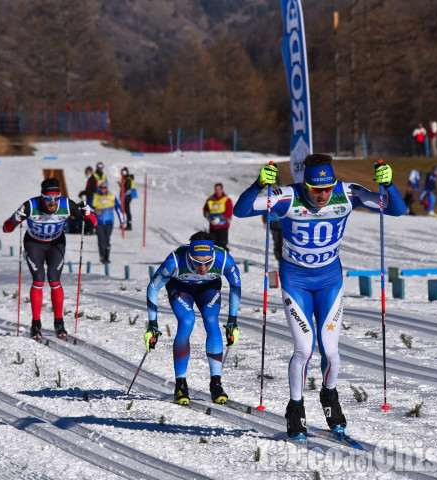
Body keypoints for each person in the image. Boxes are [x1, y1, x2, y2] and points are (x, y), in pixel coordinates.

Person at [234, 154, 406, 441]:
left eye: (327, 188)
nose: (323, 195)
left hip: (330, 282)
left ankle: (329, 396)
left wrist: (389, 185)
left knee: (331, 351)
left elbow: (395, 210)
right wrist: (257, 184)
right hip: (296, 281)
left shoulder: (348, 193)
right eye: (316, 189)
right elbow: (241, 211)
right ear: (306, 184)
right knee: (304, 349)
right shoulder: (288, 196)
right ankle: (295, 407)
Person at [145, 231, 241, 405]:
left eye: (208, 263)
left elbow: (236, 286)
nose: (203, 269)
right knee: (187, 321)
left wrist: (232, 321)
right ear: (189, 256)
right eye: (197, 263)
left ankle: (216, 383)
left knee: (211, 321)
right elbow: (153, 287)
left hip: (209, 289)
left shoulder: (224, 259)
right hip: (181, 288)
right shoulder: (175, 261)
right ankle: (180, 385)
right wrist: (153, 324)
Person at [2, 178, 97, 339]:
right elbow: (6, 229)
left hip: (56, 244)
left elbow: (93, 224)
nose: (52, 202)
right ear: (42, 197)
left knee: (54, 280)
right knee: (38, 280)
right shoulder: (30, 206)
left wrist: (89, 213)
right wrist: (15, 219)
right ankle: (36, 324)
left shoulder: (67, 205)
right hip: (34, 244)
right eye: (48, 199)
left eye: (55, 198)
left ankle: (59, 323)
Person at [91, 181, 125, 263]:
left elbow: (118, 209)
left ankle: (107, 257)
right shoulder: (95, 197)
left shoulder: (112, 197)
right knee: (101, 239)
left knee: (107, 240)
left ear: (107, 188)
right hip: (99, 222)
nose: (103, 189)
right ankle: (102, 256)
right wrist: (94, 211)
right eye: (102, 188)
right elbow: (88, 208)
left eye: (105, 188)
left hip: (109, 222)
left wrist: (122, 221)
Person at [203, 183, 233, 250]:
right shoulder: (210, 199)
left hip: (223, 227)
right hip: (212, 227)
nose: (217, 191)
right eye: (216, 189)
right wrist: (208, 218)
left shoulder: (227, 200)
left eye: (219, 189)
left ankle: (223, 259)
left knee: (222, 246)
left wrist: (220, 218)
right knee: (212, 246)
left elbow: (229, 212)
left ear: (222, 190)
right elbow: (205, 210)